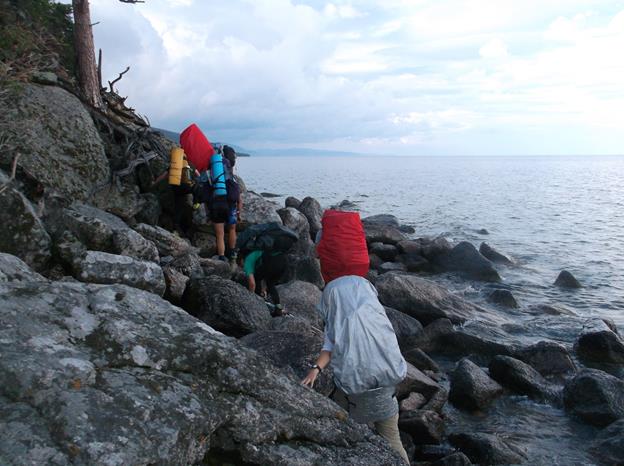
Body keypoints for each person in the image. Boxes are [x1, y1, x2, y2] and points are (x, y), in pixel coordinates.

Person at [301, 210, 409, 465]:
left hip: (356, 383)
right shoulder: (365, 286)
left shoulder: (332, 292)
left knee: (341, 423)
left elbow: (334, 337)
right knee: (392, 439)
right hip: (389, 373)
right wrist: (317, 368)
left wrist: (316, 368)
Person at [207, 146, 241, 262]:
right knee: (232, 229)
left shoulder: (215, 167)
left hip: (218, 203)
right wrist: (239, 213)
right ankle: (232, 255)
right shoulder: (231, 173)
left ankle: (221, 257)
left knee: (220, 234)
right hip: (231, 204)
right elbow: (238, 197)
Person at [242, 249, 288, 317]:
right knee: (270, 284)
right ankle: (278, 307)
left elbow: (252, 284)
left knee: (256, 278)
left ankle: (258, 300)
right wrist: (263, 289)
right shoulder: (256, 252)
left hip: (272, 263)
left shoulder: (248, 261)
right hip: (282, 262)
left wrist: (250, 298)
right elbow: (265, 276)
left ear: (241, 260)